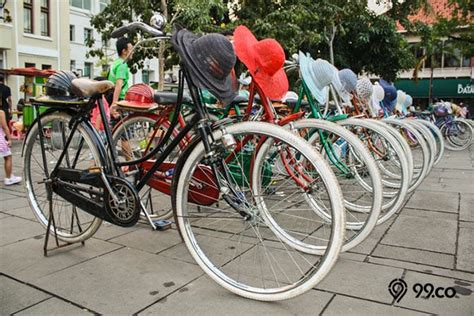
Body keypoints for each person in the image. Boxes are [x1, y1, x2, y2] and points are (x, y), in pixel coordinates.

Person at [108, 37, 133, 119]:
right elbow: (119, 85)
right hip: (120, 100)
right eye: (131, 49)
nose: (133, 52)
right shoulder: (122, 65)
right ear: (124, 51)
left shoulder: (116, 63)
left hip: (111, 97)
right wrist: (114, 103)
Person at [0, 109, 21, 185]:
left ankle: (10, 176)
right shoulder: (1, 112)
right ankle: (9, 178)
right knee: (8, 157)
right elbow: (5, 127)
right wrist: (9, 139)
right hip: (0, 140)